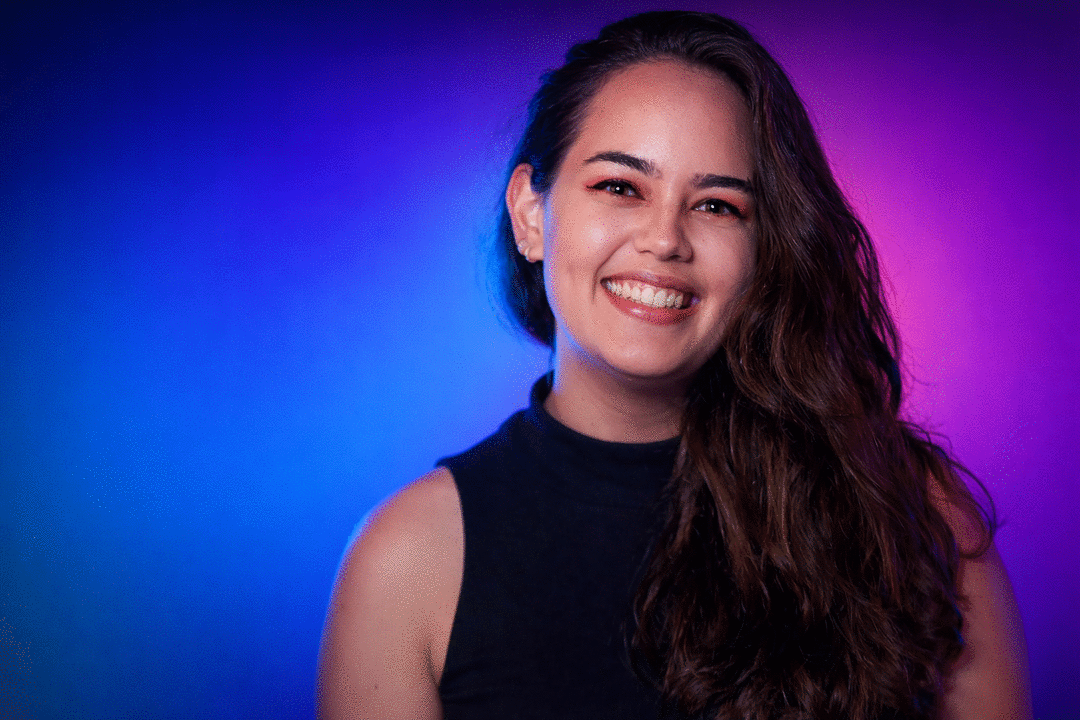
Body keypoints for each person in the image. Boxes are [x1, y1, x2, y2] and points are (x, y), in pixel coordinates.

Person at [317, 11, 1032, 720]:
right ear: (531, 215)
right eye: (620, 187)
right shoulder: (407, 561)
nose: (665, 240)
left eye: (718, 205)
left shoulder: (909, 511)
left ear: (766, 248)